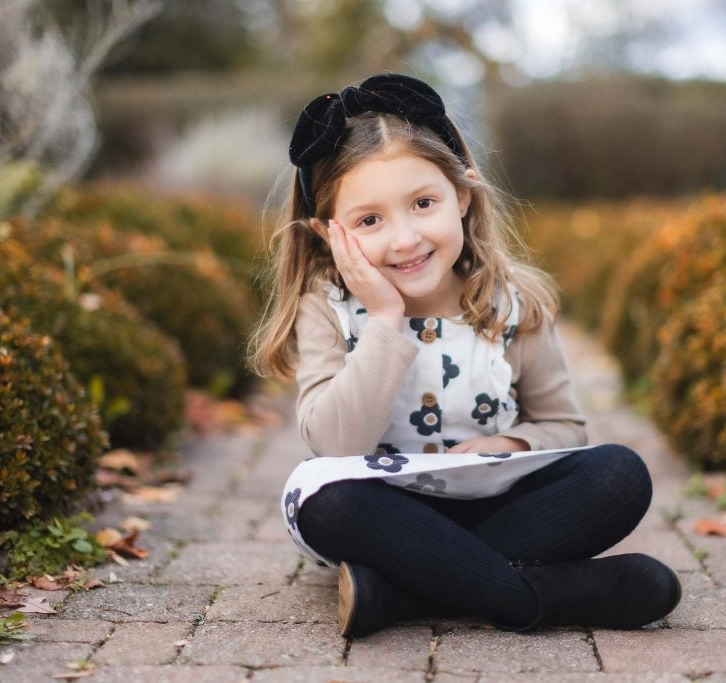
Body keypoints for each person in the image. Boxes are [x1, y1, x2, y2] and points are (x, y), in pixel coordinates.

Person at [250, 73, 681, 638]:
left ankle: (401, 595)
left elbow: (564, 426)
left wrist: (512, 443)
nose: (404, 239)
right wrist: (384, 319)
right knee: (323, 500)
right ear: (328, 234)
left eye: (423, 203)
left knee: (620, 474)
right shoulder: (327, 308)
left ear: (462, 195)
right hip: (387, 517)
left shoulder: (515, 304)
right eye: (369, 221)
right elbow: (335, 445)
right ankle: (539, 596)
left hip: (500, 507)